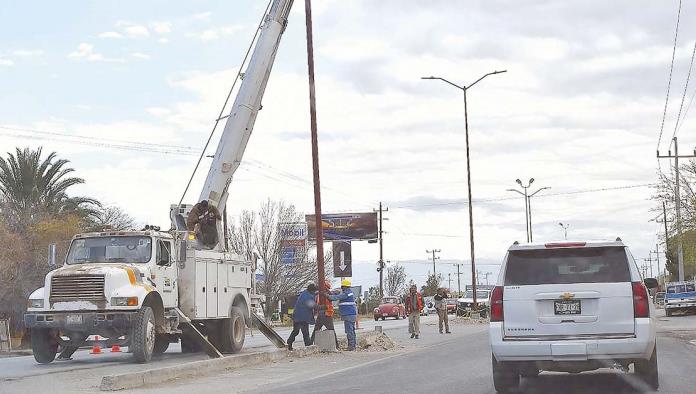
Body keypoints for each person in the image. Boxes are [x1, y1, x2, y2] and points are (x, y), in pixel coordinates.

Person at [325, 279, 357, 351]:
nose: (341, 288)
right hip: (350, 315)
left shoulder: (346, 294)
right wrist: (333, 293)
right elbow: (339, 295)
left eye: (342, 286)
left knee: (349, 331)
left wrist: (327, 296)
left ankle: (351, 346)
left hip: (349, 315)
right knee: (352, 330)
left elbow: (335, 298)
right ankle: (353, 345)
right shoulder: (349, 292)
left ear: (344, 286)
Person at [287, 283, 318, 351]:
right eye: (314, 291)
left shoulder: (305, 293)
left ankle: (289, 344)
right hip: (302, 317)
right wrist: (323, 307)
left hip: (296, 316)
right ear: (311, 291)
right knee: (305, 333)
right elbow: (313, 306)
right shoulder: (308, 297)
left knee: (295, 331)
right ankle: (308, 347)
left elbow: (313, 295)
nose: (315, 292)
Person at [311, 281, 338, 348]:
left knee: (316, 330)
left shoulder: (320, 294)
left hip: (323, 313)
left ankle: (310, 344)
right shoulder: (325, 294)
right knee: (331, 330)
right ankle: (336, 345)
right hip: (327, 314)